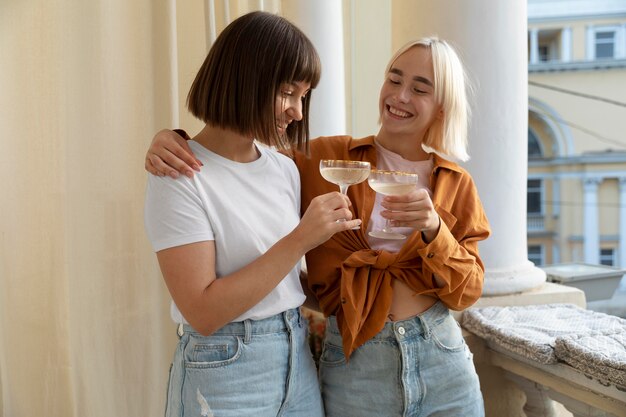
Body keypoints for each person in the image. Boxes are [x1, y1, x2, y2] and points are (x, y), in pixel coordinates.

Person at [146, 36, 490, 417]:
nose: (401, 95)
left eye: (419, 88)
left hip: (440, 355)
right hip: (355, 361)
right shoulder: (323, 159)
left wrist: (433, 230)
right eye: (394, 80)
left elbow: (469, 290)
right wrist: (172, 141)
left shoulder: (455, 183)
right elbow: (235, 160)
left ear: (442, 108)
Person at [143, 11, 362, 417]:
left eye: (304, 96)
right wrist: (302, 238)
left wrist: (364, 297)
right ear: (246, 81)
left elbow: (277, 280)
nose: (298, 111)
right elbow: (203, 312)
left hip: (297, 364)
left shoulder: (283, 167)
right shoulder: (178, 176)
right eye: (287, 92)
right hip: (223, 371)